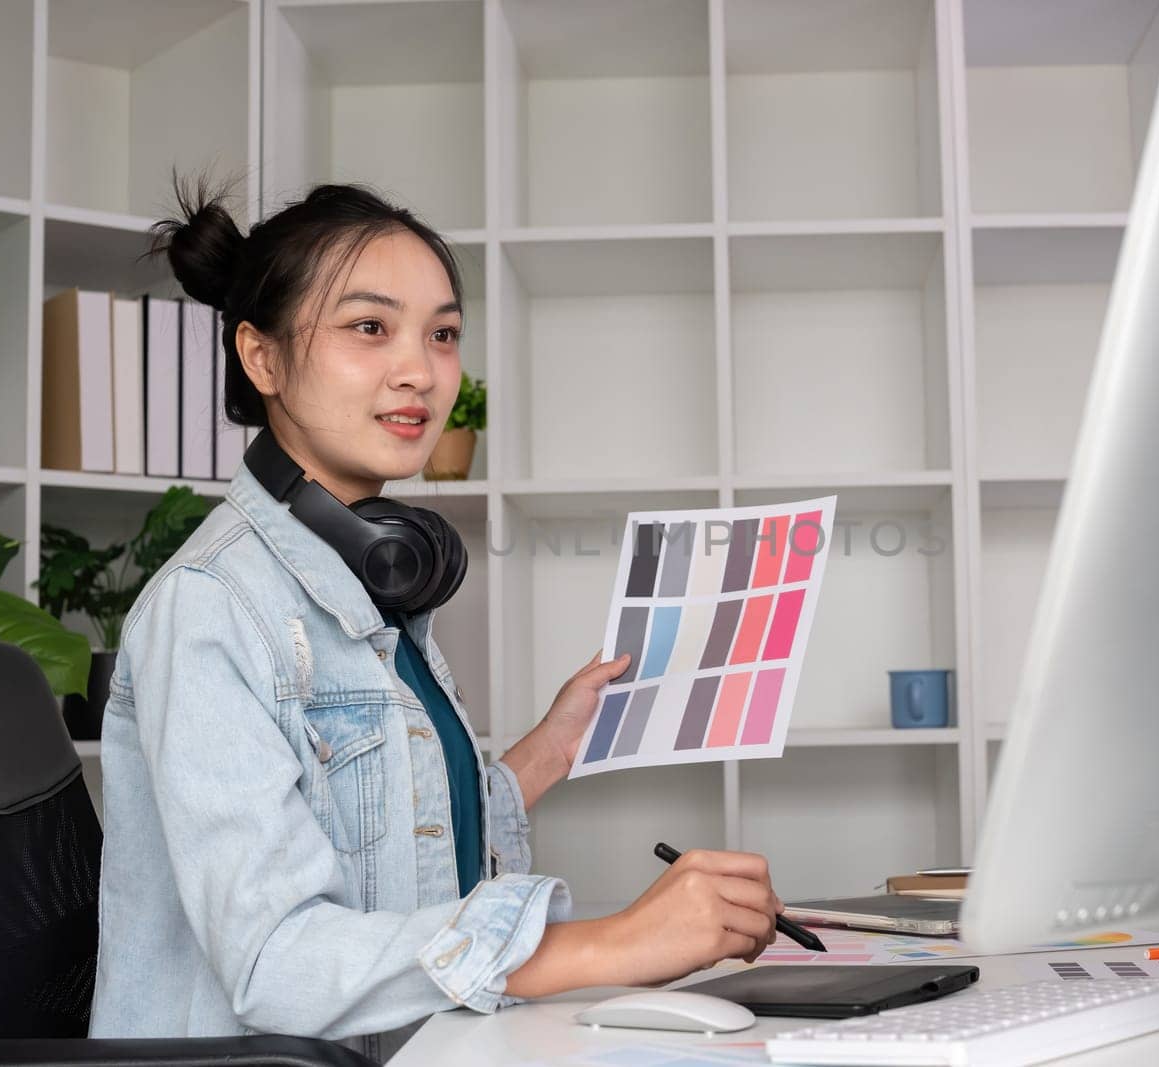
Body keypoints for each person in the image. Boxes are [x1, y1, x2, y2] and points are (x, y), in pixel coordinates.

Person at [88, 182, 782, 1063]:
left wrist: (550, 748)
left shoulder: (367, 573)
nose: (419, 369)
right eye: (370, 327)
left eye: (442, 333)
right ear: (261, 358)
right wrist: (610, 944)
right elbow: (274, 959)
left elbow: (385, 842)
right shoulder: (211, 608)